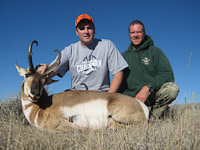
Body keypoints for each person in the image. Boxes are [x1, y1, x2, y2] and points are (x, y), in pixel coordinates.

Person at [38, 14, 128, 93]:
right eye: (82, 28)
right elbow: (53, 70)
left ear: (94, 30)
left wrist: (109, 98)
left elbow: (118, 72)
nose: (86, 32)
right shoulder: (70, 50)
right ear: (77, 32)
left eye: (89, 28)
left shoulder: (107, 45)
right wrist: (43, 70)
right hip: (77, 96)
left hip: (101, 95)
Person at [119, 20, 179, 119]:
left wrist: (148, 87)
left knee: (172, 89)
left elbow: (168, 74)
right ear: (129, 34)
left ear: (144, 33)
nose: (135, 35)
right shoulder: (123, 56)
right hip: (132, 98)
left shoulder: (155, 52)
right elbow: (119, 82)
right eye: (132, 32)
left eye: (138, 32)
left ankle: (153, 118)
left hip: (151, 94)